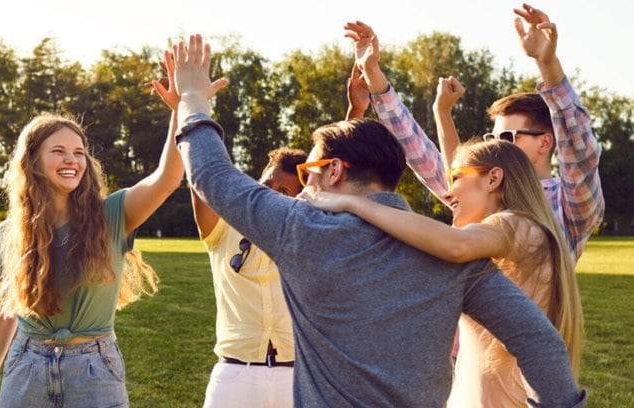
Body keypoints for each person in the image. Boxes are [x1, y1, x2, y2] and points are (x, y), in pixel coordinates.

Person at [171, 33, 586, 407]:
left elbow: (212, 176)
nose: (304, 186)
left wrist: (193, 99)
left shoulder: (301, 228)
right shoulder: (452, 255)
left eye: (307, 172)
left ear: (334, 172)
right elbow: (538, 341)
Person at [301, 138, 584, 407]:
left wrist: (354, 203)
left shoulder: (515, 225)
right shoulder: (523, 230)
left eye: (457, 177)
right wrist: (442, 112)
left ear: (493, 179)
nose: (448, 192)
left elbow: (455, 245)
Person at [0, 66, 187, 407]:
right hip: (25, 368)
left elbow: (167, 179)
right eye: (58, 151)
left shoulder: (113, 214)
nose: (71, 160)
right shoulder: (9, 232)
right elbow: (4, 313)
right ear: (32, 161)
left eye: (79, 152)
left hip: (94, 369)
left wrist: (181, 109)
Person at [344, 3, 605, 262]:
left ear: (545, 142)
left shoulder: (568, 205)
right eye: (491, 138)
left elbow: (579, 149)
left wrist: (547, 63)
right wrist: (374, 75)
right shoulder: (484, 189)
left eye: (507, 138)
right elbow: (420, 155)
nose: (495, 147)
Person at [189, 147, 306, 408]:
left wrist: (354, 114)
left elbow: (336, 180)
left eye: (284, 192)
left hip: (296, 376)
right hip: (234, 374)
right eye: (266, 184)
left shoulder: (308, 238)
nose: (270, 195)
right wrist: (186, 108)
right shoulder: (222, 230)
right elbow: (199, 173)